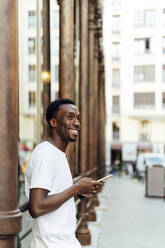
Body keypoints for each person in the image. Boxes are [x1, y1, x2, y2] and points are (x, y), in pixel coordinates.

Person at [25, 98, 102, 248]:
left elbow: (54, 196)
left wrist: (79, 193)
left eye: (78, 118)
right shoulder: (45, 153)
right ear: (53, 122)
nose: (77, 123)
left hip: (64, 241)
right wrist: (76, 188)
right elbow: (37, 207)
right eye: (70, 117)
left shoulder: (57, 154)